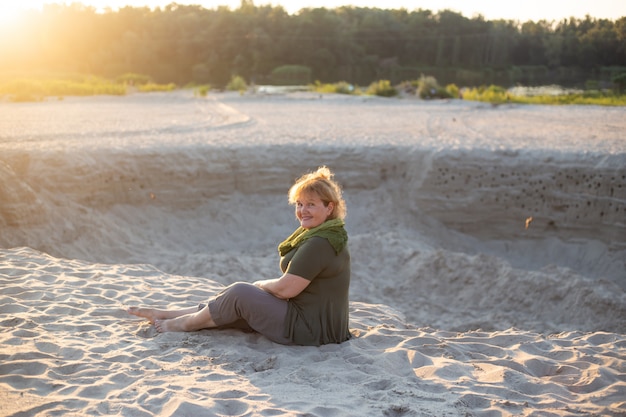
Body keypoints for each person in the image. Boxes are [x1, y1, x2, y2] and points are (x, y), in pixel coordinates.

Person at [127, 166, 351, 346]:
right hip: (314, 322)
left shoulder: (320, 243)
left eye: (311, 205)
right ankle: (168, 314)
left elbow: (286, 290)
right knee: (237, 298)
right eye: (299, 204)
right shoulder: (328, 234)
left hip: (310, 329)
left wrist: (261, 284)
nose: (302, 211)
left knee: (241, 292)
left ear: (329, 208)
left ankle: (182, 324)